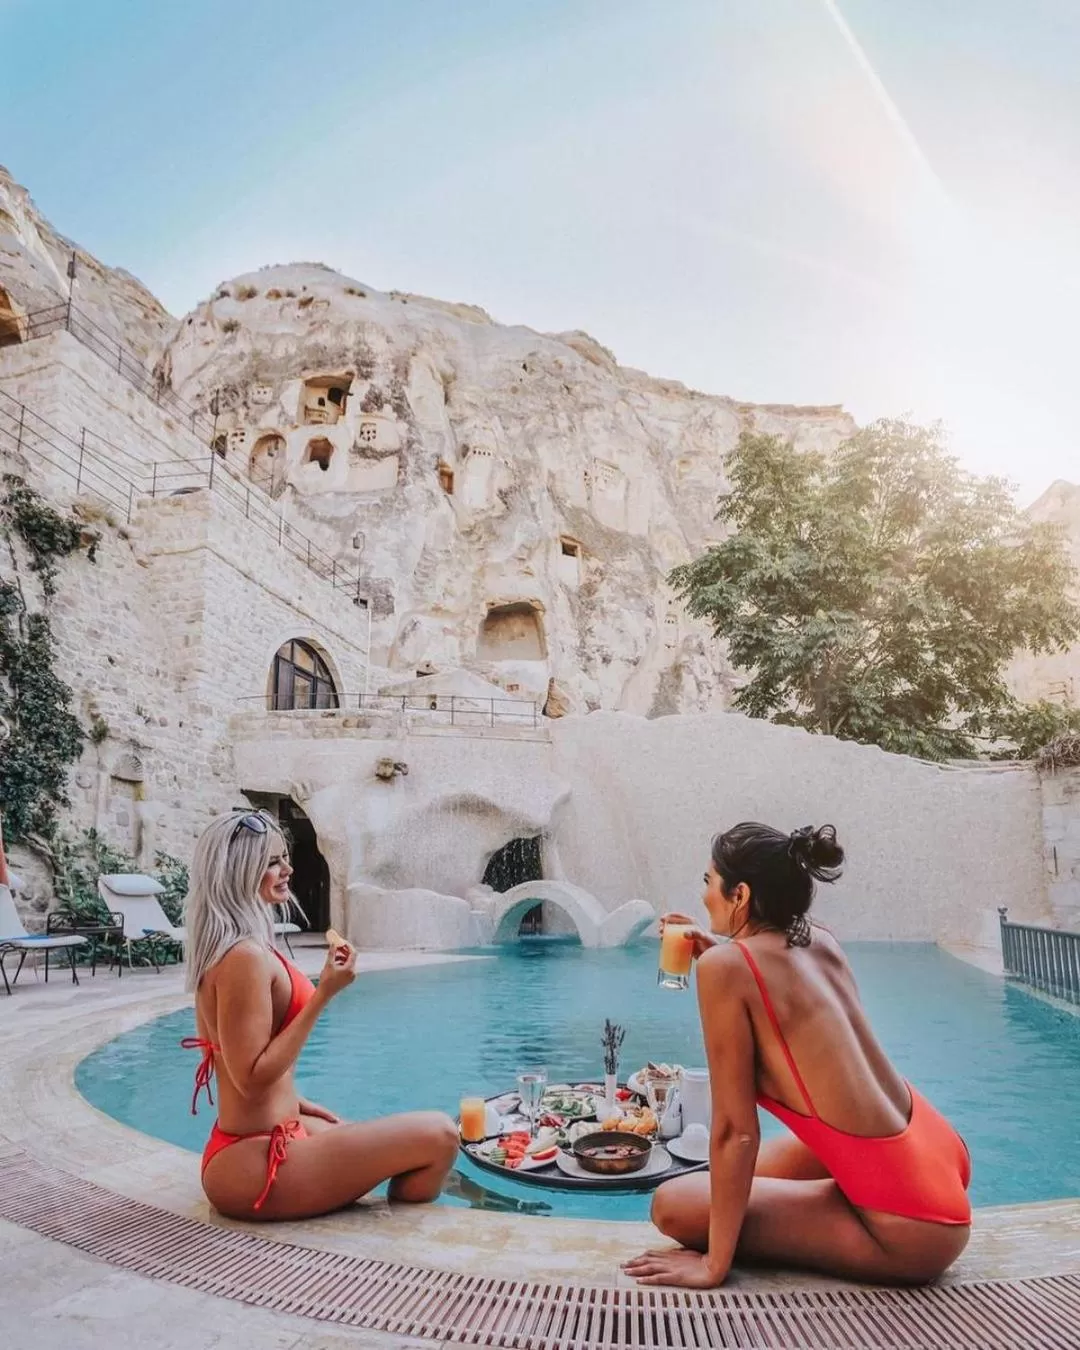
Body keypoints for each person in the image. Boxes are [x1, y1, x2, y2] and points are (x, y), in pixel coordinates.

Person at [625, 822, 971, 1289]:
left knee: (673, 1203)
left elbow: (735, 1133)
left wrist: (713, 1265)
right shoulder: (820, 940)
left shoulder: (726, 969)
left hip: (916, 1229)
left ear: (740, 894)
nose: (705, 894)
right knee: (721, 1183)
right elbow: (779, 996)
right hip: (933, 1156)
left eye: (709, 882)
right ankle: (827, 1204)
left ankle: (828, 1212)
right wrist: (720, 955)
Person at [182, 808, 458, 1220]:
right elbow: (251, 1079)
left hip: (269, 1137)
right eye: (272, 861)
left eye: (283, 857)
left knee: (394, 1142)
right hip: (257, 1166)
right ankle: (396, 1235)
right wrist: (324, 994)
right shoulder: (243, 957)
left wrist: (293, 1101)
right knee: (441, 1135)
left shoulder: (236, 949)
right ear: (239, 870)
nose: (288, 869)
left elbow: (232, 1057)